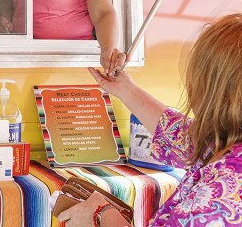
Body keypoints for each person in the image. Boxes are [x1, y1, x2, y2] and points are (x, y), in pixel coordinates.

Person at [56, 13, 242, 226]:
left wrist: (102, 214)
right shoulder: (224, 144)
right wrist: (127, 90)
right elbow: (182, 137)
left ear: (214, 91)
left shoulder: (226, 190)